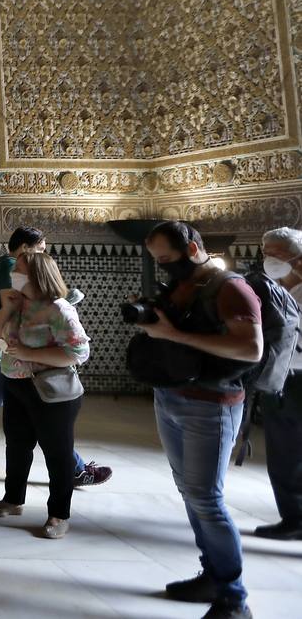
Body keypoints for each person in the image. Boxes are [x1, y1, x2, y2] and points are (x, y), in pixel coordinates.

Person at [142, 221, 263, 619]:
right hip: (173, 397)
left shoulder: (231, 288)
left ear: (192, 248)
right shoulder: (186, 286)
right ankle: (212, 574)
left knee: (207, 500)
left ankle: (233, 596)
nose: (164, 266)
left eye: (167, 259)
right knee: (191, 493)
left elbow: (250, 349)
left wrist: (174, 336)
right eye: (157, 260)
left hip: (211, 405)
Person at [0, 226, 112, 487]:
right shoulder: (11, 266)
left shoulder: (10, 266)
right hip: (12, 351)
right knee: (41, 419)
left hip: (10, 351)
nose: (42, 253)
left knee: (0, 405)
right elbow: (11, 308)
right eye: (40, 248)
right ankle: (75, 470)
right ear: (26, 248)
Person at [0, 252, 89, 539]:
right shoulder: (19, 302)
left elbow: (79, 351)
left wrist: (31, 354)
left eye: (19, 269)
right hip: (15, 384)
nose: (13, 273)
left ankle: (59, 514)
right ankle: (13, 499)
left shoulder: (58, 309)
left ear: (36, 275)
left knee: (57, 453)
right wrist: (7, 308)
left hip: (51, 390)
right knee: (17, 445)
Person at [256, 226, 302, 540]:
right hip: (279, 379)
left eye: (277, 254)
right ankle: (292, 515)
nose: (270, 259)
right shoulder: (273, 288)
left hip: (299, 378)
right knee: (282, 452)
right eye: (266, 253)